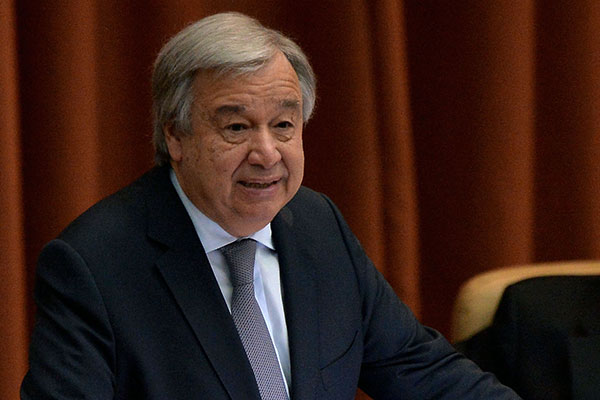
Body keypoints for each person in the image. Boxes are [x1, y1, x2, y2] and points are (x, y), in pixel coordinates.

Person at [21, 12, 521, 399]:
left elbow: (420, 368)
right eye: (236, 127)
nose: (266, 153)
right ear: (176, 136)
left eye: (283, 125)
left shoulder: (317, 225)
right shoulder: (95, 265)